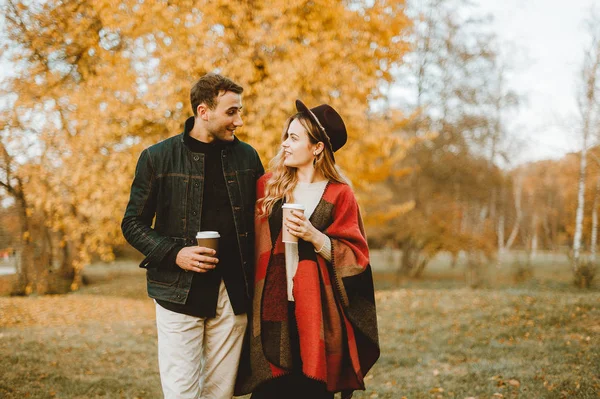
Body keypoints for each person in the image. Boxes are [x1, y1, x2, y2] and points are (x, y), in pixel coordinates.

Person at [121, 73, 264, 399]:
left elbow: (264, 217)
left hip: (233, 295)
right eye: (231, 112)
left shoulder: (249, 157)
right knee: (182, 393)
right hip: (177, 293)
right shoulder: (157, 157)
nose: (239, 121)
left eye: (240, 111)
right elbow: (132, 223)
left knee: (220, 393)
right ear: (204, 112)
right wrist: (175, 254)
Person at [235, 100, 380, 399]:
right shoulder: (268, 187)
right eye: (286, 135)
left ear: (317, 148)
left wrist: (315, 236)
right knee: (269, 391)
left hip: (318, 312)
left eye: (294, 137)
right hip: (272, 307)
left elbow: (357, 259)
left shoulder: (340, 193)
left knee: (312, 390)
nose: (284, 144)